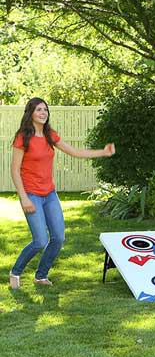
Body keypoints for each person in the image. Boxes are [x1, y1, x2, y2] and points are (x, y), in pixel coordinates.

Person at [9, 98, 115, 289]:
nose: (44, 113)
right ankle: (15, 272)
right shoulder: (22, 137)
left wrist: (103, 152)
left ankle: (41, 276)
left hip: (49, 194)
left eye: (46, 110)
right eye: (39, 109)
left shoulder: (50, 134)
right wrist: (23, 197)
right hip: (31, 194)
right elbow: (15, 170)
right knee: (40, 241)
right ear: (30, 113)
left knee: (58, 238)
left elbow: (74, 152)